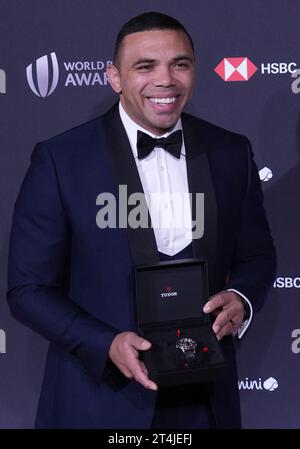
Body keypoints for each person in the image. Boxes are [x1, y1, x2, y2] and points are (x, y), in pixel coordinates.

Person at [7, 12, 276, 429]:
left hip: (205, 401)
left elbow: (257, 255)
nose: (165, 79)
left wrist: (241, 297)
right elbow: (27, 289)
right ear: (115, 77)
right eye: (145, 66)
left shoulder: (231, 152)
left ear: (194, 72)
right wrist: (106, 343)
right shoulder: (62, 160)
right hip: (99, 398)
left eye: (179, 64)